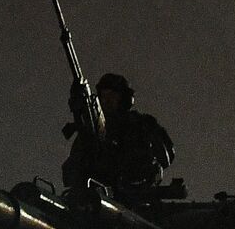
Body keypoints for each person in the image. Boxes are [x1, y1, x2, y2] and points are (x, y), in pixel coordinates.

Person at [61, 73, 175, 207]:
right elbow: (70, 172)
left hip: (137, 199)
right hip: (97, 201)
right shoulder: (92, 132)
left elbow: (166, 158)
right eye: (104, 96)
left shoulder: (140, 125)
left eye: (113, 96)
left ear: (124, 99)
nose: (107, 101)